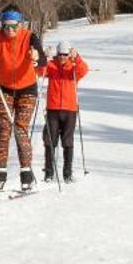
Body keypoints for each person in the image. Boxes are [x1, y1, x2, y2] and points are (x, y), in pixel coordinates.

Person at [0, 6, 45, 192]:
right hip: (3, 89)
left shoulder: (30, 37)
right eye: (5, 26)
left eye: (13, 26)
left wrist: (36, 57)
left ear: (20, 24)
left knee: (20, 129)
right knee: (4, 130)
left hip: (27, 88)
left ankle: (26, 174)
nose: (9, 30)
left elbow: (42, 59)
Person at [40, 40, 89, 182]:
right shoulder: (51, 65)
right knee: (50, 141)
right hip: (53, 109)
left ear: (69, 54)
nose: (62, 57)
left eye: (65, 55)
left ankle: (67, 174)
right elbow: (39, 71)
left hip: (70, 109)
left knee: (67, 142)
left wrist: (77, 58)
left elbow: (84, 70)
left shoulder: (73, 67)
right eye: (60, 54)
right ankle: (48, 173)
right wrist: (43, 57)